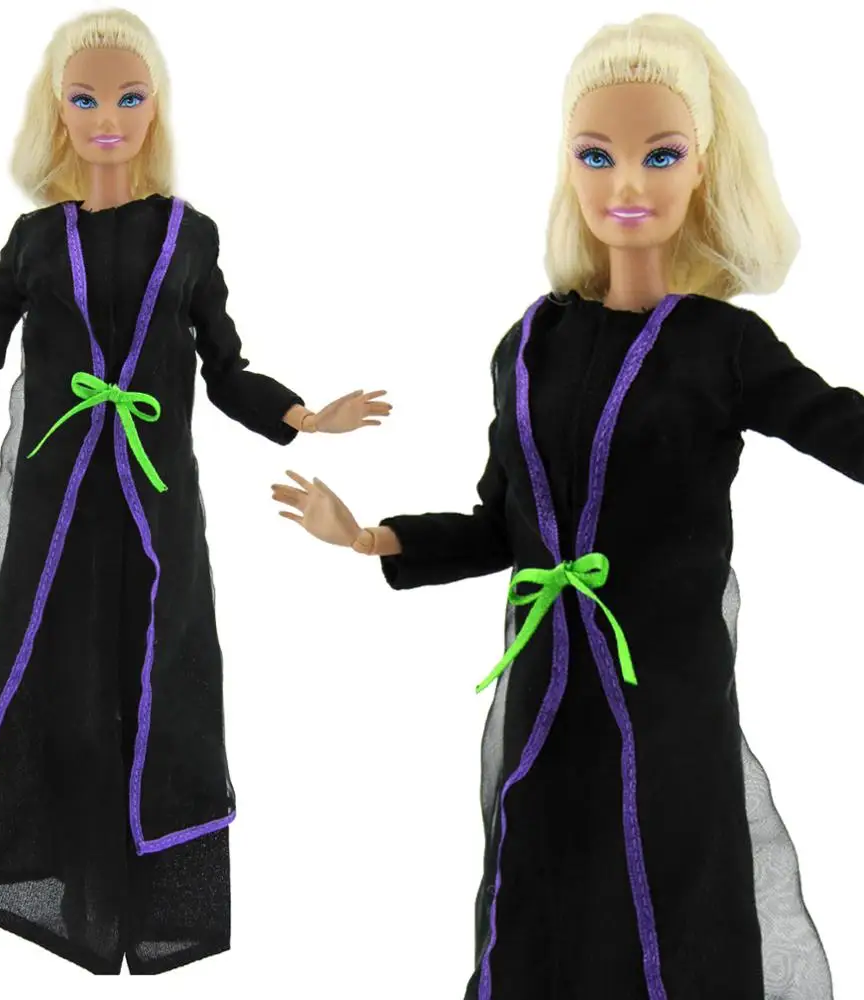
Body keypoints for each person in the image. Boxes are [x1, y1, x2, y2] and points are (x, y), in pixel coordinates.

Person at [272, 13, 841, 999]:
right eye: (596, 155)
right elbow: (502, 523)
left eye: (660, 155)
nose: (627, 185)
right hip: (547, 682)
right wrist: (370, 536)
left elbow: (832, 423)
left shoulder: (721, 346)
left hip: (663, 684)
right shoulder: (532, 343)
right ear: (567, 168)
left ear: (701, 169)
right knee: (540, 880)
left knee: (672, 879)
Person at [0, 7, 391, 976]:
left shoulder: (188, 236)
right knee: (53, 676)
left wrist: (301, 414)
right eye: (85, 100)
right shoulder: (36, 238)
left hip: (156, 516)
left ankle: (147, 894)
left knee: (161, 680)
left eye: (128, 97)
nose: (107, 118)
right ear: (58, 112)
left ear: (155, 107)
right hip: (53, 510)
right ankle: (66, 885)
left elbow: (225, 368)